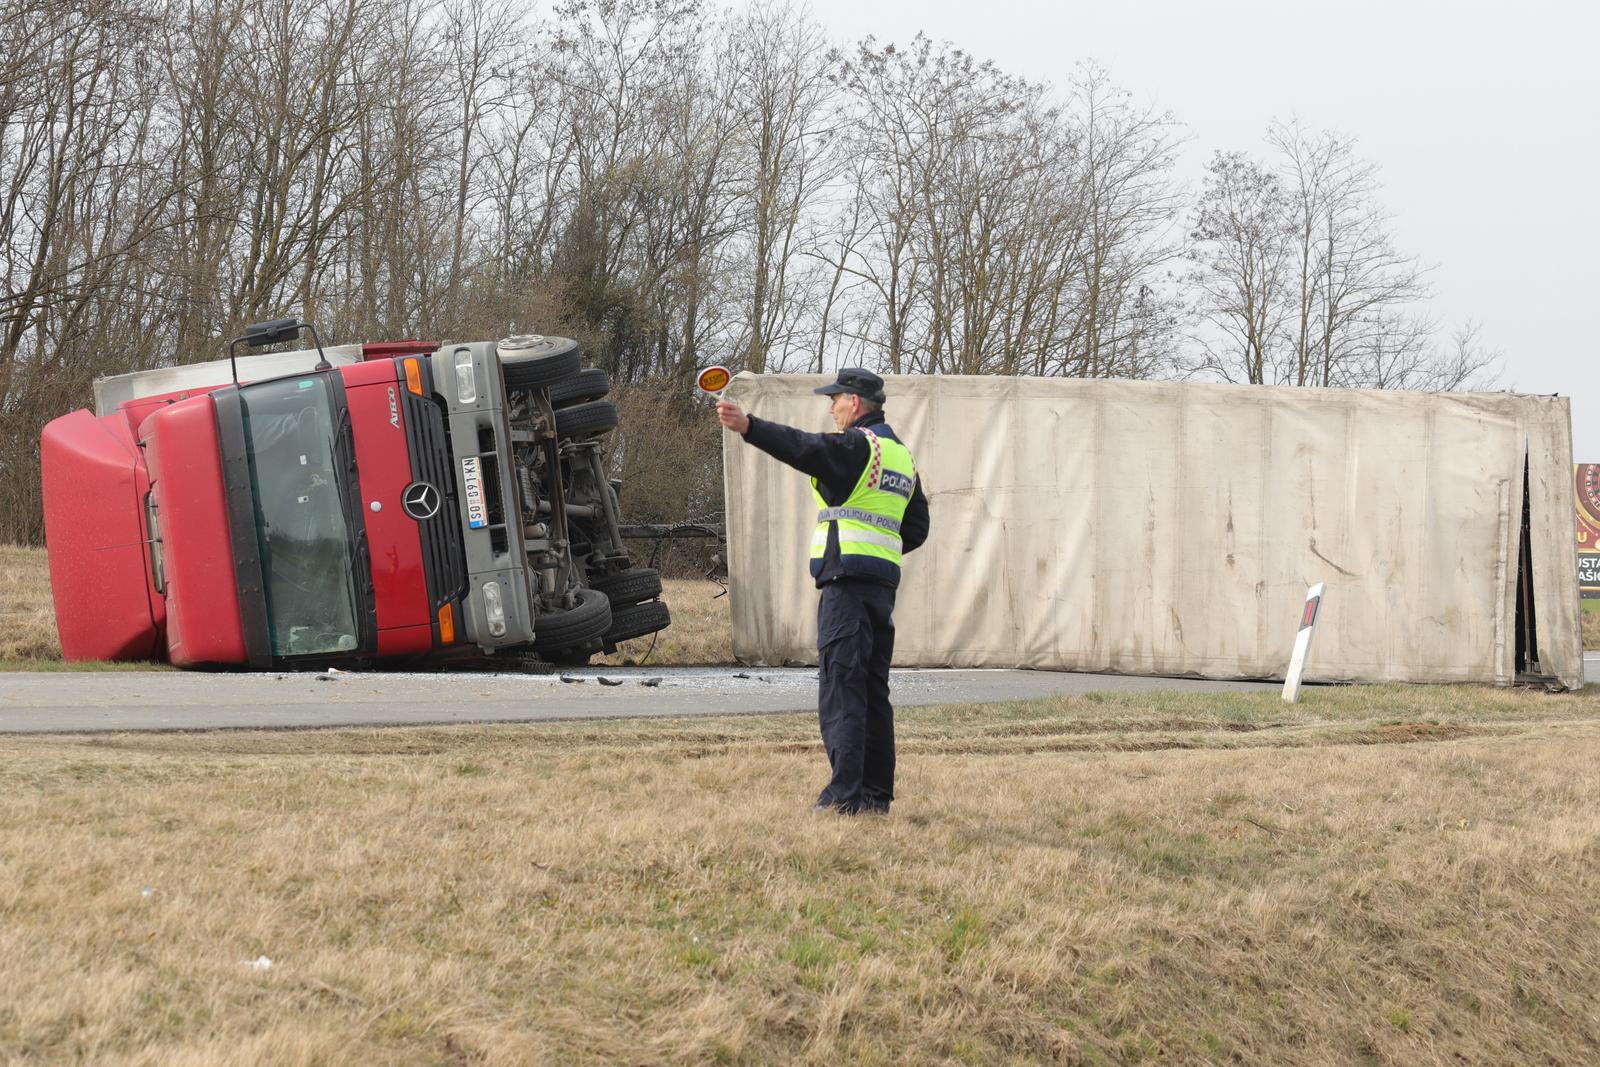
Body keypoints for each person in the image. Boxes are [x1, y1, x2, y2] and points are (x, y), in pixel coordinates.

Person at [716, 368, 930, 815]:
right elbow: (916, 528)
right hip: (881, 587)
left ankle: (844, 797)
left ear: (854, 402)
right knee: (873, 690)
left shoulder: (857, 446)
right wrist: (881, 549)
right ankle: (874, 797)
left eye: (834, 400)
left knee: (842, 687)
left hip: (846, 586)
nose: (830, 408)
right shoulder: (901, 458)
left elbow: (805, 448)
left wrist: (749, 426)